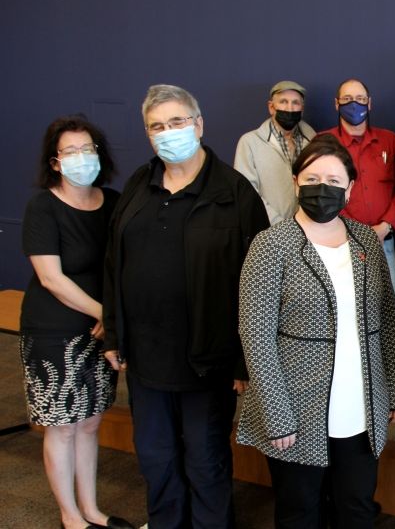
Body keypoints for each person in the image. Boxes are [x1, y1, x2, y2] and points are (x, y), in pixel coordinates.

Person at [102, 84, 269, 528]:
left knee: (205, 460)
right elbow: (113, 263)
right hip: (145, 358)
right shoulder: (140, 182)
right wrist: (115, 333)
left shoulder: (235, 194)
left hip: (207, 362)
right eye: (157, 126)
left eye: (177, 122)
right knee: (155, 457)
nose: (167, 133)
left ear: (199, 125)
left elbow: (259, 287)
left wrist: (243, 362)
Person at [236, 134, 395, 529]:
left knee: (357, 506)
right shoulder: (270, 246)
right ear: (296, 181)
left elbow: (387, 318)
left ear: (349, 188)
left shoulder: (365, 239)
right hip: (295, 407)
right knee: (300, 511)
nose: (323, 188)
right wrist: (277, 414)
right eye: (313, 177)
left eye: (335, 181)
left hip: (361, 403)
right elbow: (255, 334)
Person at [19, 116, 134, 529]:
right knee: (63, 426)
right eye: (69, 151)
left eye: (87, 149)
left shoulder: (113, 200)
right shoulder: (43, 206)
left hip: (98, 333)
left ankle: (91, 510)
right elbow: (51, 277)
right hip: (54, 331)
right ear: (54, 161)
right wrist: (105, 312)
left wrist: (110, 317)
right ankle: (70, 517)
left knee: (90, 423)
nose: (80, 158)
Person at [320, 78, 395, 293]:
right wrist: (356, 232)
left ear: (369, 103)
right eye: (347, 99)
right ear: (336, 104)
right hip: (338, 244)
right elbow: (323, 193)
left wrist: (385, 226)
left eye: (360, 99)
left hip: (383, 244)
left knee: (385, 315)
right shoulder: (323, 142)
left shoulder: (389, 140)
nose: (355, 104)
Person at [234, 80, 317, 225]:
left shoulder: (313, 140)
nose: (290, 108)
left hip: (309, 229)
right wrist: (279, 225)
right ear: (271, 107)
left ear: (302, 109)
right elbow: (247, 192)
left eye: (295, 103)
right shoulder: (250, 142)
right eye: (283, 102)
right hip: (267, 229)